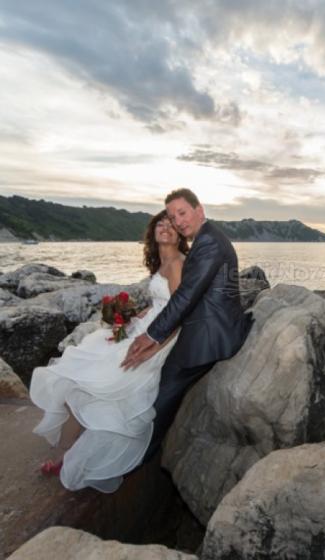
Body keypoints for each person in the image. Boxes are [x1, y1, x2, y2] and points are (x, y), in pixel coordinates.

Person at [30, 210, 188, 492]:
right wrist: (138, 316)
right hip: (148, 329)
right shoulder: (163, 261)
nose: (165, 228)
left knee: (103, 380)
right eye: (160, 224)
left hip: (159, 338)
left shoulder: (177, 263)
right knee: (90, 364)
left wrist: (152, 348)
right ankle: (71, 454)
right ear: (153, 232)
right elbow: (161, 303)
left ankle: (72, 459)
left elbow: (178, 314)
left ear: (179, 233)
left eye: (171, 225)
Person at [122, 188, 253, 461]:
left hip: (210, 336)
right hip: (208, 324)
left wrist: (152, 336)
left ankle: (137, 457)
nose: (178, 221)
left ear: (199, 210)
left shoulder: (209, 243)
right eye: (172, 216)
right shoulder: (207, 238)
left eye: (182, 213)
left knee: (161, 394)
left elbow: (186, 295)